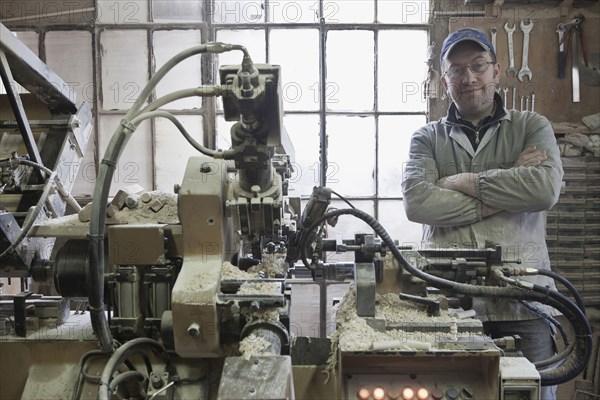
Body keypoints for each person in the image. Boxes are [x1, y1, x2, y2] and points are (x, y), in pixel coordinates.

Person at [401, 27, 564, 400]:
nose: (468, 77)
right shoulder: (426, 138)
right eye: (456, 70)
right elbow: (418, 203)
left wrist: (458, 181)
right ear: (444, 81)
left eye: (478, 66)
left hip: (523, 300)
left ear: (496, 70)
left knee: (531, 393)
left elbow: (543, 190)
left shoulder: (532, 127)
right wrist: (507, 188)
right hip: (448, 303)